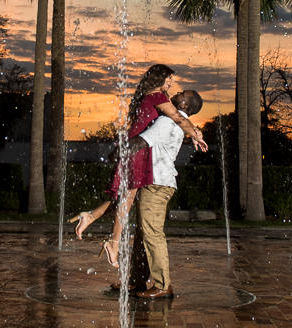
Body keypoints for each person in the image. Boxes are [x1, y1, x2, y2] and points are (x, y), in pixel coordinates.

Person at [68, 64, 206, 266]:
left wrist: (193, 132)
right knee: (127, 199)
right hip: (137, 149)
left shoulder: (149, 95)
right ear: (159, 78)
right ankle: (113, 243)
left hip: (136, 147)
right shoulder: (158, 97)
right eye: (168, 79)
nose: (172, 84)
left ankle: (90, 216)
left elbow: (176, 119)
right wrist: (196, 134)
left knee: (126, 197)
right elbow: (177, 117)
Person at [129, 89, 203, 299]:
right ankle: (137, 280)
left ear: (184, 106)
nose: (177, 92)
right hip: (156, 182)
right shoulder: (176, 122)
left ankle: (162, 285)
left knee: (152, 233)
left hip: (157, 184)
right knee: (144, 233)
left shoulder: (167, 122)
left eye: (182, 94)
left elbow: (140, 143)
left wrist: (117, 151)